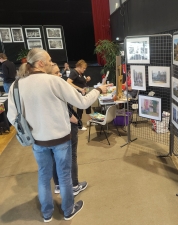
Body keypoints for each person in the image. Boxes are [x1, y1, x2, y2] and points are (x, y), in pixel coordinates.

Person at [7, 48, 107, 222]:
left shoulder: (16, 85)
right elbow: (82, 103)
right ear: (40, 63)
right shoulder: (53, 81)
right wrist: (99, 90)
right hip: (61, 139)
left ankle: (47, 214)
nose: (52, 62)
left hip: (37, 141)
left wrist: (32, 125)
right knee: (64, 175)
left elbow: (11, 116)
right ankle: (68, 210)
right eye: (49, 59)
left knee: (44, 176)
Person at [51, 63, 87, 196]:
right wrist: (75, 120)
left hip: (52, 129)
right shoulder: (57, 87)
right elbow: (65, 108)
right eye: (56, 72)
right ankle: (75, 185)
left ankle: (59, 185)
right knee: (71, 156)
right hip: (65, 127)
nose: (60, 74)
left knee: (55, 157)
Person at [67, 60, 91, 131]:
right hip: (78, 93)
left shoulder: (81, 73)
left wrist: (86, 80)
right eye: (83, 68)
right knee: (80, 108)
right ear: (79, 67)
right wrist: (80, 89)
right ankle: (79, 125)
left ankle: (89, 120)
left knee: (88, 105)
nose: (84, 69)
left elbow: (81, 81)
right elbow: (68, 82)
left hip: (83, 92)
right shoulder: (74, 72)